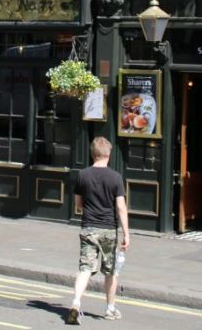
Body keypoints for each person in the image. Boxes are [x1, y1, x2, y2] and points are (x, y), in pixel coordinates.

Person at [66, 137, 129, 324]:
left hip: (88, 228)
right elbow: (121, 208)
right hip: (109, 230)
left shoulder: (82, 175)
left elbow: (78, 204)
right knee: (111, 272)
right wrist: (126, 233)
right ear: (108, 155)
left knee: (85, 269)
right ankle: (110, 309)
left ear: (92, 154)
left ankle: (76, 302)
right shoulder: (116, 177)